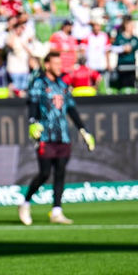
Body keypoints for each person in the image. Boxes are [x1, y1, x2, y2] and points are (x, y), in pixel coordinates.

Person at [18, 51, 96, 226]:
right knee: (45, 173)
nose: (59, 67)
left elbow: (71, 109)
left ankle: (56, 211)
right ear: (47, 65)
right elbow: (32, 104)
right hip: (45, 135)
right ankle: (25, 204)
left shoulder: (62, 84)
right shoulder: (39, 83)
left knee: (60, 172)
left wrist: (84, 130)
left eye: (60, 64)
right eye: (56, 64)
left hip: (63, 135)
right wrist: (32, 122)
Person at [112, 19, 138, 89]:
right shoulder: (119, 37)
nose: (132, 28)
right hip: (122, 64)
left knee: (131, 84)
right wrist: (123, 48)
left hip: (132, 64)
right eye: (131, 26)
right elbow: (113, 48)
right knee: (122, 84)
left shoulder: (134, 38)